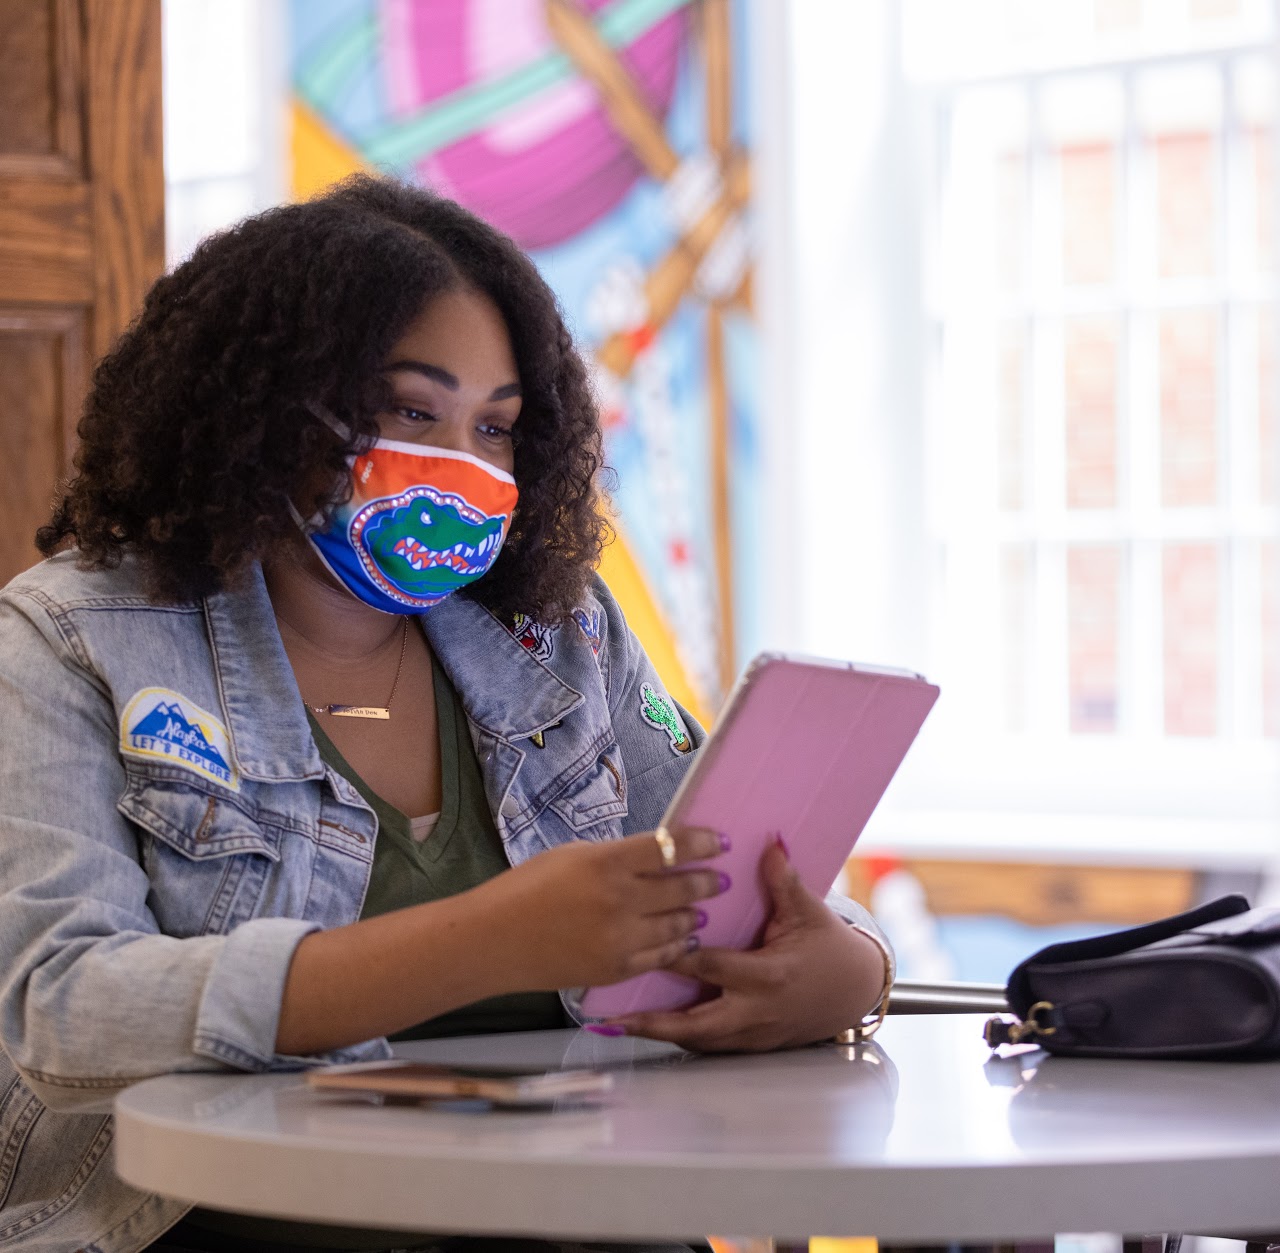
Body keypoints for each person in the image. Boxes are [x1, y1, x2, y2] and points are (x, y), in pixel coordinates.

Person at [0, 176, 893, 1253]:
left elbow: (746, 881)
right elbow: (61, 1006)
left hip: (583, 1209)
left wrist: (852, 968)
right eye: (411, 411)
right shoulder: (64, 639)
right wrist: (482, 942)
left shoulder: (563, 631)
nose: (462, 467)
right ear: (259, 406)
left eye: (497, 427)